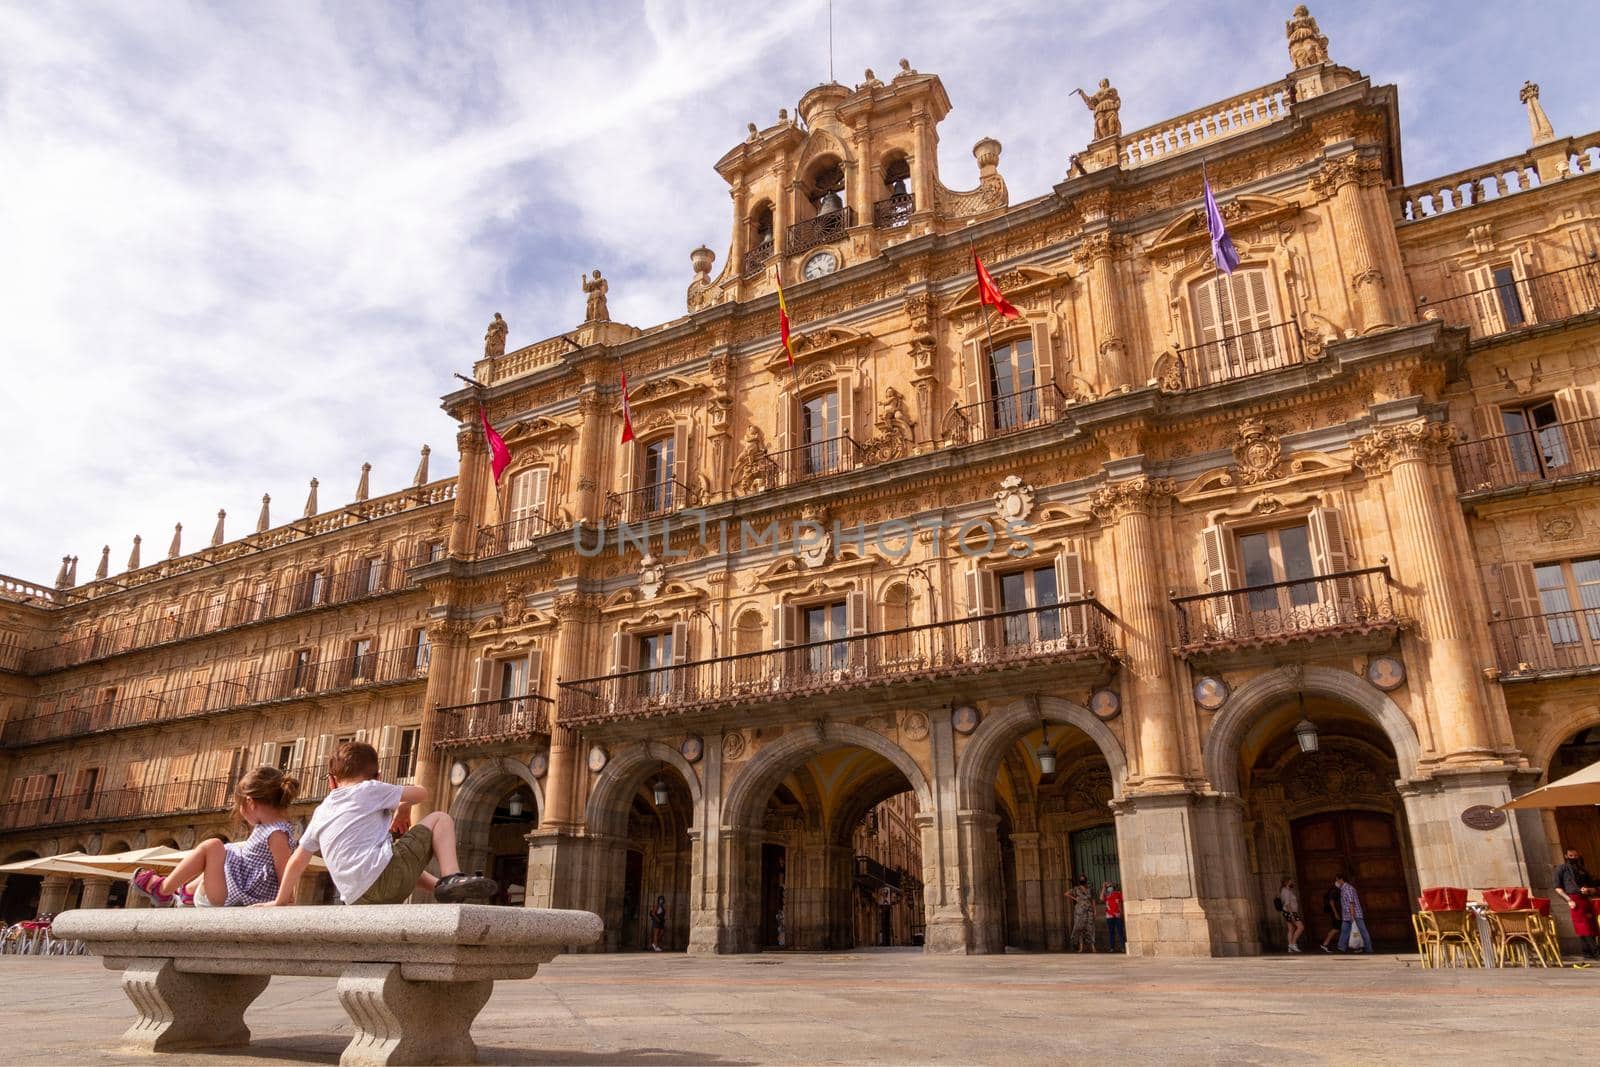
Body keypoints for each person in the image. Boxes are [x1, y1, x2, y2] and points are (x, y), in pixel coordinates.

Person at [258, 741, 496, 907]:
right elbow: (422, 792)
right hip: (386, 881)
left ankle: (440, 887)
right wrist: (403, 806)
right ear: (378, 777)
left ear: (331, 780)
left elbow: (297, 860)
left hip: (356, 897)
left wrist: (280, 900)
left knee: (396, 856)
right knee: (440, 819)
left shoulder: (322, 810)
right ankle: (451, 878)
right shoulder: (370, 788)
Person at [130, 767, 300, 907]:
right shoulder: (269, 828)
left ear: (250, 803)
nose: (240, 812)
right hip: (238, 889)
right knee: (228, 851)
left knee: (212, 846)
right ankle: (187, 892)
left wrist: (283, 901)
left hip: (236, 895)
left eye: (239, 806)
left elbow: (286, 871)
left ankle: (163, 890)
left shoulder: (276, 834)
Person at [1553, 848, 1599, 960]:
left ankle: (1587, 953)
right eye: (1571, 856)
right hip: (1574, 899)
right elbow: (1557, 888)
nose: (1573, 858)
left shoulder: (1583, 869)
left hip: (1585, 899)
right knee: (1583, 926)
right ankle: (1596, 953)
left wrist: (1589, 890)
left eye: (1575, 856)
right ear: (1566, 856)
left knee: (1591, 926)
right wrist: (1569, 900)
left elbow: (1594, 886)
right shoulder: (1561, 869)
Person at [1334, 874, 1375, 954]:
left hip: (1354, 915)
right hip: (1346, 915)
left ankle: (1369, 949)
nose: (1336, 882)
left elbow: (1351, 903)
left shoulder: (1348, 888)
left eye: (1337, 880)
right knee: (1344, 930)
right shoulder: (1343, 889)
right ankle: (1341, 947)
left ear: (1341, 879)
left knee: (1363, 931)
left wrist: (1352, 915)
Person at [1068, 875, 1096, 952]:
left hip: (1089, 910)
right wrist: (1075, 898)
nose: (1082, 880)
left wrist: (1095, 910)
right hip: (1079, 911)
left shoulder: (1090, 889)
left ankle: (1093, 947)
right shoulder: (1076, 889)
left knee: (1090, 928)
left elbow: (1093, 900)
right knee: (1080, 928)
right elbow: (1066, 893)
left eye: (1083, 879)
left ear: (1086, 880)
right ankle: (1080, 947)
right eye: (1081, 879)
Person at [1277, 877, 1305, 953]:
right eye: (1291, 881)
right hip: (1290, 912)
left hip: (1288, 912)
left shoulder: (1287, 890)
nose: (1293, 882)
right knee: (1301, 927)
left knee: (1291, 929)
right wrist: (1292, 914)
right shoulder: (1286, 891)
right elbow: (1287, 904)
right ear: (1287, 882)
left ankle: (1290, 946)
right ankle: (1293, 943)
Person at [1101, 881, 1125, 953]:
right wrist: (1103, 887)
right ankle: (1112, 948)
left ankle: (1123, 947)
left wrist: (1122, 913)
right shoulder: (1106, 895)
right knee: (1111, 933)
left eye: (1110, 886)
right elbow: (1101, 898)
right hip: (1109, 916)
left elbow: (1120, 903)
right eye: (1108, 886)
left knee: (1120, 932)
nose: (1110, 887)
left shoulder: (1118, 893)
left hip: (1117, 915)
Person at [1319, 883, 1342, 953]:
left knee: (1337, 928)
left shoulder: (1334, 890)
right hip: (1335, 913)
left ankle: (1325, 944)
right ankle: (1325, 944)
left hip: (1335, 913)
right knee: (1336, 928)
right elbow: (1331, 902)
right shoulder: (1334, 891)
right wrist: (1336, 913)